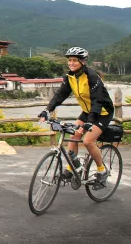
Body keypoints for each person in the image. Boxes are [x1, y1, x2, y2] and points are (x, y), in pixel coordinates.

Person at [38, 46, 114, 188]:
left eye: (75, 60)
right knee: (73, 136)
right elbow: (60, 95)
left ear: (82, 62)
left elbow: (98, 101)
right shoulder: (70, 77)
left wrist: (90, 122)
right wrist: (47, 110)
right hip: (87, 112)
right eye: (69, 60)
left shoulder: (92, 77)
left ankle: (102, 170)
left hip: (102, 112)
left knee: (88, 141)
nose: (71, 63)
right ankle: (72, 168)